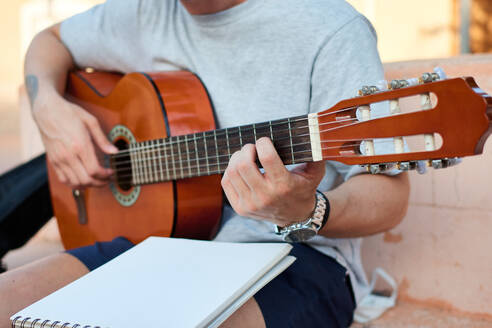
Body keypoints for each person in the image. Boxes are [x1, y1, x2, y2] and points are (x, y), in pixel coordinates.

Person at [0, 0, 410, 327]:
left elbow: (390, 196)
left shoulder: (330, 28)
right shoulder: (145, 11)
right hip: (157, 244)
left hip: (294, 259)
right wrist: (48, 105)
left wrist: (309, 210)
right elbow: (49, 41)